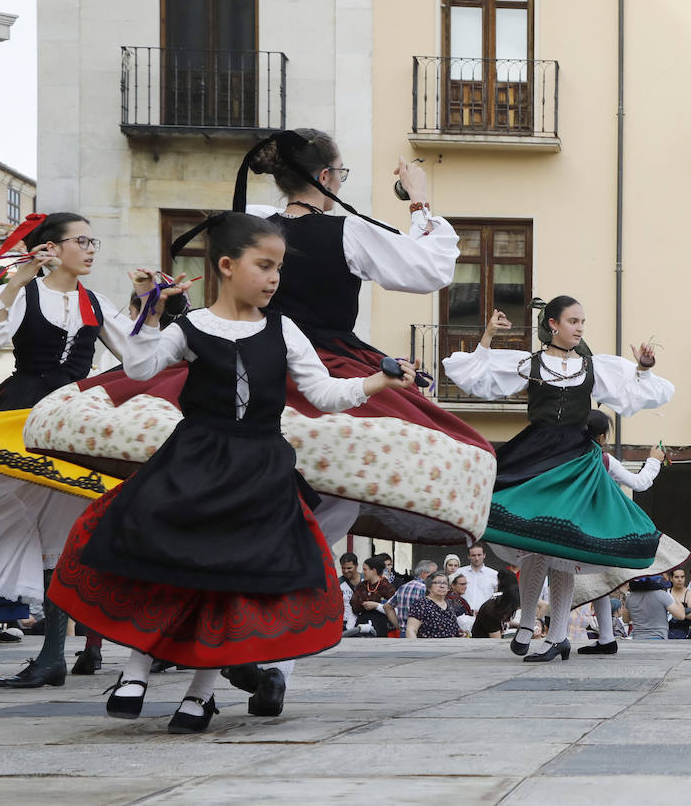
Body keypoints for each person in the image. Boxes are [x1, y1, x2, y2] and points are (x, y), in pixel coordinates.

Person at [49, 213, 417, 733]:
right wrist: (151, 310)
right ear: (226, 265)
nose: (274, 279)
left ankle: (201, 694)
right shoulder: (192, 326)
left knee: (234, 580)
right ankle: (135, 669)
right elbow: (140, 368)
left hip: (260, 468)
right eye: (264, 265)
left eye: (279, 268)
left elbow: (324, 394)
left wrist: (380, 380)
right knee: (164, 557)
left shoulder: (284, 329)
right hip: (195, 460)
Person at [240, 128, 497, 548]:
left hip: (249, 358)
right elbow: (428, 269)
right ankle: (289, 566)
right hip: (325, 364)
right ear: (325, 177)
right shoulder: (346, 232)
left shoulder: (251, 224)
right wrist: (418, 198)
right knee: (339, 486)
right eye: (340, 173)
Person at [443, 296, 674, 662]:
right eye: (573, 320)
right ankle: (529, 626)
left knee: (561, 548)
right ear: (553, 324)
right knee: (537, 542)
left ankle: (557, 636)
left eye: (583, 321)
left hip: (574, 461)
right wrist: (486, 336)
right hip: (534, 455)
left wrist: (644, 366)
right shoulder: (530, 363)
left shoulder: (593, 367)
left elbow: (633, 392)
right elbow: (477, 376)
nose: (580, 327)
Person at [0, 212, 131, 688]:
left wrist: (155, 307)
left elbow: (142, 355)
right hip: (22, 416)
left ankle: (51, 657)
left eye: (94, 240)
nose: (91, 249)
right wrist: (15, 281)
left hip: (70, 421)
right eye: (82, 240)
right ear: (51, 248)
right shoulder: (29, 293)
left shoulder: (95, 302)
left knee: (62, 536)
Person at [577, 409, 671, 656]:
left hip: (568, 526)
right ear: (601, 437)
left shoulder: (566, 457)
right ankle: (601, 638)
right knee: (597, 582)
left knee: (579, 581)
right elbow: (639, 483)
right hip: (599, 528)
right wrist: (654, 460)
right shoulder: (604, 460)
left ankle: (604, 637)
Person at [383, 559, 436, 637]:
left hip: (404, 633)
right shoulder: (426, 589)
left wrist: (399, 626)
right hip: (421, 635)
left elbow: (387, 606)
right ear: (424, 574)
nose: (436, 578)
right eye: (433, 575)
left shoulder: (403, 587)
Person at [349, 555, 397, 637]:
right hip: (362, 624)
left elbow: (394, 610)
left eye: (365, 569)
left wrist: (376, 606)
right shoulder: (361, 586)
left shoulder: (387, 587)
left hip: (380, 625)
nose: (363, 572)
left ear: (373, 570)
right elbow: (354, 606)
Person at [405, 571, 462, 639]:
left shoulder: (449, 604)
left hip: (450, 647)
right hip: (429, 648)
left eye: (445, 583)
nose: (442, 586)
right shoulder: (421, 604)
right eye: (437, 583)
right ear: (429, 587)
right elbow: (411, 630)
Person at [471, 570, 520, 639]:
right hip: (484, 645)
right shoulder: (490, 610)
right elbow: (496, 640)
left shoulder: (503, 605)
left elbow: (505, 622)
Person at [461, 544, 499, 612]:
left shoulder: (494, 574)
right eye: (473, 555)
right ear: (468, 556)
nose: (476, 558)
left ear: (484, 555)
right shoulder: (460, 572)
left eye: (479, 555)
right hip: (463, 615)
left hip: (485, 614)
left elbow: (498, 595)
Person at [667, 568, 691, 639]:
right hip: (664, 630)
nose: (680, 580)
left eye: (682, 577)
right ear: (671, 578)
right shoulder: (666, 592)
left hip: (682, 632)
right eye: (676, 577)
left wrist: (679, 613)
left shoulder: (689, 594)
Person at [446, 568, 474, 635]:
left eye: (466, 584)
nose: (465, 587)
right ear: (453, 585)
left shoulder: (456, 598)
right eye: (462, 584)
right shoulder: (453, 600)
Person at [339, 552, 361, 631]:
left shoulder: (365, 580)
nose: (346, 571)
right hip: (344, 623)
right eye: (343, 568)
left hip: (362, 622)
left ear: (356, 566)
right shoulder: (338, 583)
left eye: (349, 568)